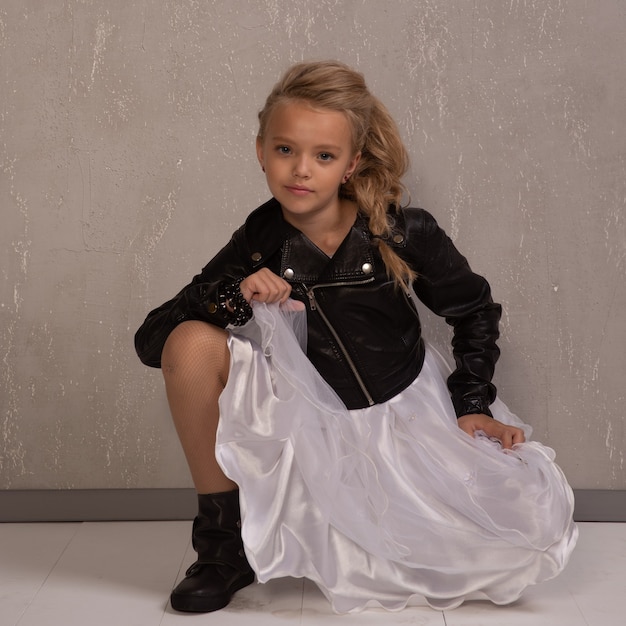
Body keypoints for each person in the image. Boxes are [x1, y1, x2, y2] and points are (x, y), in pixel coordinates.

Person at [134, 60, 577, 614]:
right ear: (260, 150)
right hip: (303, 418)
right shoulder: (258, 240)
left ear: (352, 163)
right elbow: (152, 341)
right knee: (190, 341)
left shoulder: (400, 229)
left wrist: (471, 404)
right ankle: (223, 549)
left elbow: (475, 309)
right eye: (284, 150)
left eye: (323, 155)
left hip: (398, 413)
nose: (300, 171)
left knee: (516, 525)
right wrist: (234, 294)